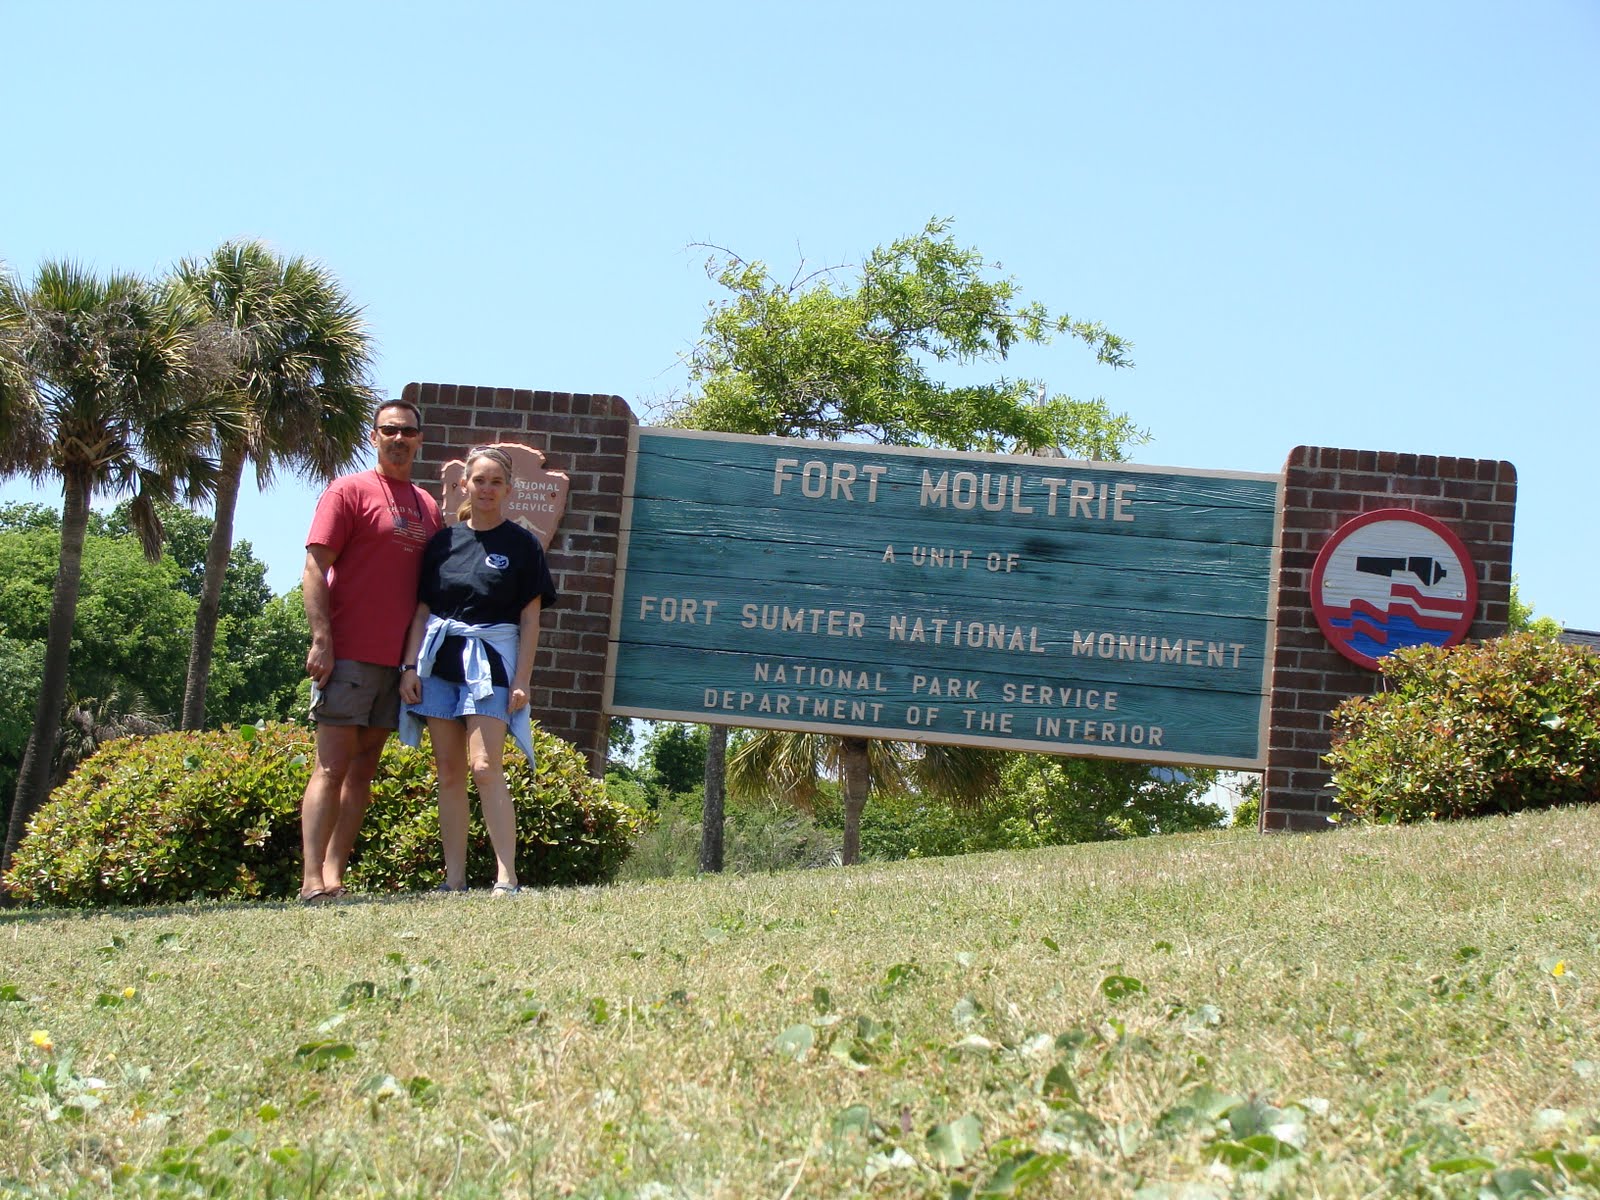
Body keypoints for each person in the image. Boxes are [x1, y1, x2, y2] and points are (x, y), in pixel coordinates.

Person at [299, 399, 443, 903]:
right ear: (374, 436)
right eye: (389, 430)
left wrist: (413, 662)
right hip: (348, 655)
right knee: (331, 766)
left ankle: (334, 875)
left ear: (420, 439)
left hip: (396, 663)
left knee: (363, 771)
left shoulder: (427, 507)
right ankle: (311, 880)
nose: (399, 438)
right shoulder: (347, 491)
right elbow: (314, 568)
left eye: (408, 431)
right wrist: (322, 640)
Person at [398, 446, 558, 895]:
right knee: (449, 771)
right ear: (465, 484)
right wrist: (409, 667)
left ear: (509, 489)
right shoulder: (443, 542)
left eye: (495, 482)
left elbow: (530, 620)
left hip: (491, 664)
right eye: (479, 480)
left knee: (485, 767)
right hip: (439, 663)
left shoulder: (523, 544)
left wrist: (523, 680)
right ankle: (455, 880)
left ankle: (507, 877)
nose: (486, 489)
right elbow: (422, 611)